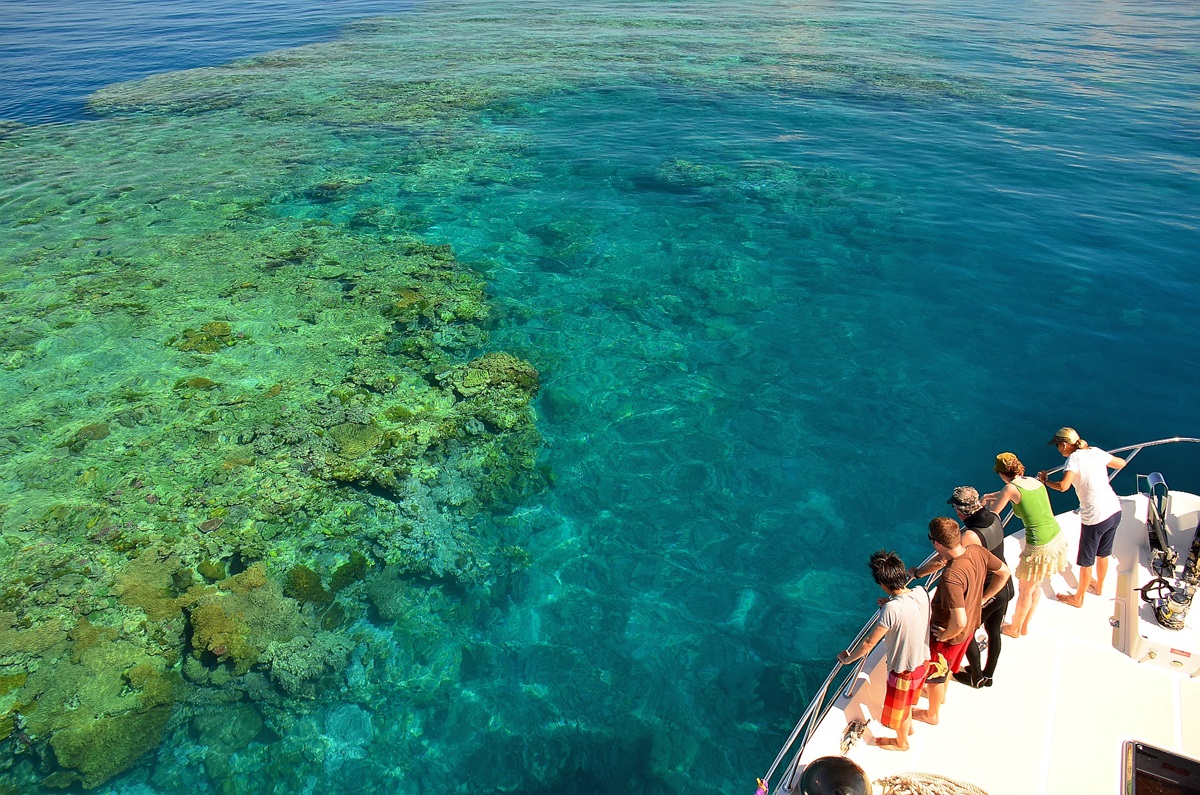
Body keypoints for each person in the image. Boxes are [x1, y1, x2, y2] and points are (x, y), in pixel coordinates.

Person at [912, 517, 1010, 726]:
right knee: (946, 669)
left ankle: (932, 714)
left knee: (935, 674)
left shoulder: (951, 577)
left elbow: (959, 620)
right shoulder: (977, 551)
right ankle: (940, 697)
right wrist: (983, 599)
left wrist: (944, 635)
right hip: (971, 628)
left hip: (949, 635)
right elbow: (1004, 573)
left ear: (937, 543)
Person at [836, 550, 931, 751]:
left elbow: (869, 643)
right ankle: (908, 729)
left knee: (901, 708)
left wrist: (848, 659)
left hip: (904, 669)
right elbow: (908, 611)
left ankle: (902, 741)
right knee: (909, 701)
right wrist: (889, 603)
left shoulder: (891, 610)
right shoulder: (921, 592)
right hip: (923, 661)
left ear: (883, 584)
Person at [1037, 427, 1126, 607]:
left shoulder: (1073, 459)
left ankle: (1079, 598)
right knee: (1103, 554)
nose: (1058, 450)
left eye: (1057, 446)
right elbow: (1121, 463)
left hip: (1095, 516)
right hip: (1114, 510)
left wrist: (1045, 482)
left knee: (1086, 561)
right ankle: (1099, 586)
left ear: (1064, 444)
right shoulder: (1094, 451)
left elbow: (1063, 486)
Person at [985, 452, 1068, 637]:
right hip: (1056, 536)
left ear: (1001, 473)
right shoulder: (1034, 481)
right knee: (1035, 586)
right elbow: (1012, 492)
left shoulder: (1010, 489)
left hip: (1040, 545)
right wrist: (989, 496)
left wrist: (985, 507)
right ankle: (1023, 626)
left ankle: (1014, 628)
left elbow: (993, 515)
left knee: (1025, 590)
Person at [947, 486, 1013, 687]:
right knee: (994, 630)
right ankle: (989, 675)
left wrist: (918, 572)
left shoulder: (970, 537)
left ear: (959, 511)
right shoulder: (994, 517)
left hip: (989, 590)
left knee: (966, 632)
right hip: (1006, 585)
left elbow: (953, 560)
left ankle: (976, 678)